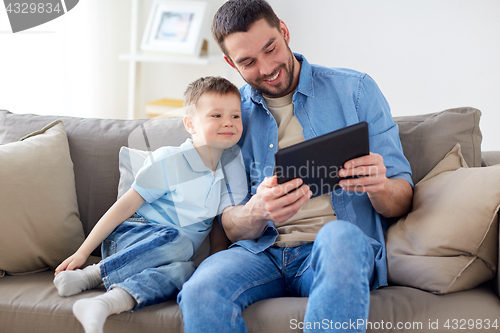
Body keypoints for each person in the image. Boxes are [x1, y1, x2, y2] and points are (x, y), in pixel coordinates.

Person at [177, 1, 414, 332]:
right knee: (200, 290)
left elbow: (402, 197)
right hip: (260, 254)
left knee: (341, 238)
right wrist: (256, 211)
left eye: (270, 48)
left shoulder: (355, 90)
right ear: (232, 63)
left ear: (284, 32)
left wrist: (380, 185)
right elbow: (229, 225)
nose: (266, 67)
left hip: (332, 248)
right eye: (248, 62)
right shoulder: (232, 116)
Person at [53, 76, 246, 333]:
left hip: (171, 255)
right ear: (190, 124)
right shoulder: (172, 160)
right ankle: (92, 274)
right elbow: (123, 207)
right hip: (132, 237)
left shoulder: (226, 172)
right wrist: (83, 252)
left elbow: (216, 229)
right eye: (216, 115)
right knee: (179, 242)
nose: (228, 123)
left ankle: (105, 303)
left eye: (235, 116)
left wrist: (213, 265)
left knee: (185, 270)